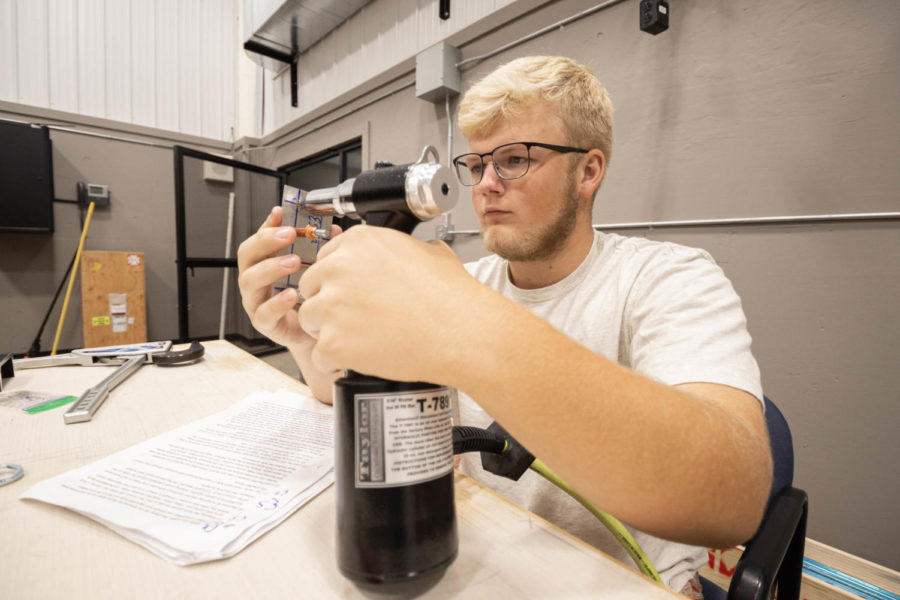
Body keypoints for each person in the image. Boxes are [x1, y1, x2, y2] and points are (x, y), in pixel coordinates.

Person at [237, 56, 772, 598]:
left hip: (622, 580)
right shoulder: (464, 282)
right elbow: (360, 396)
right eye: (476, 164)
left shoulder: (666, 278)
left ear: (588, 171)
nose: (486, 185)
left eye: (515, 160)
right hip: (481, 560)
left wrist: (460, 322)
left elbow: (733, 495)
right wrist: (304, 340)